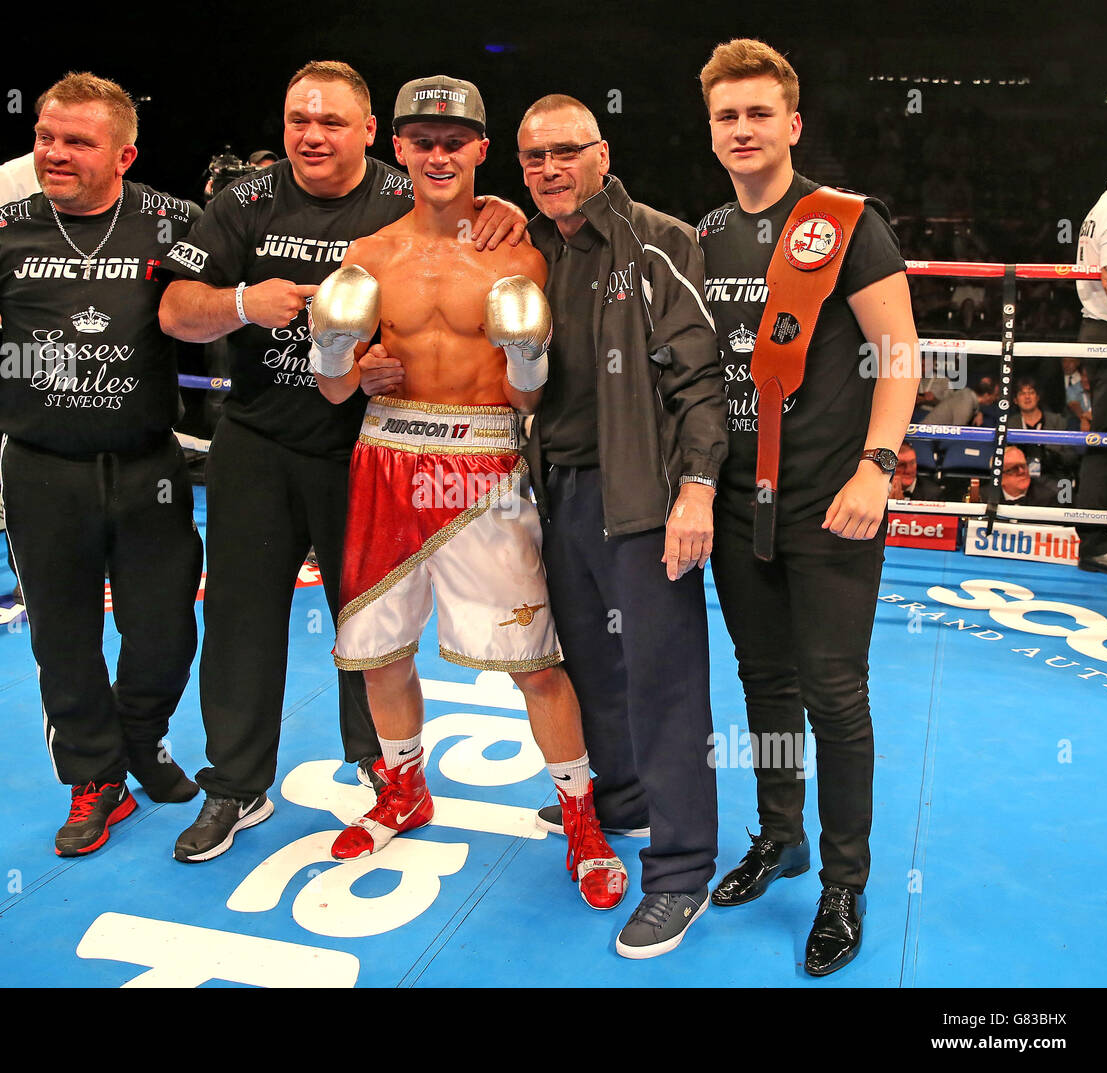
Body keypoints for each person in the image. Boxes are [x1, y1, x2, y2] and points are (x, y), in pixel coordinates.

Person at [157, 62, 528, 863]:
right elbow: (175, 307)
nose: (312, 135)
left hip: (368, 446)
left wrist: (500, 208)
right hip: (257, 440)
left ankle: (383, 769)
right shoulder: (247, 201)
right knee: (239, 618)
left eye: (330, 121)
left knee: (374, 629)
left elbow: (475, 211)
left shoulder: (408, 193)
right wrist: (239, 302)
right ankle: (235, 784)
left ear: (369, 132)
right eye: (298, 120)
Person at [0, 72, 205, 857]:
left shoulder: (171, 222)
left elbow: (227, 295)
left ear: (124, 153)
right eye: (45, 137)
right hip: (42, 466)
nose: (54, 152)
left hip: (148, 461)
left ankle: (143, 739)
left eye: (76, 141)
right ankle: (94, 775)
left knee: (165, 626)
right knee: (62, 630)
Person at [311, 75, 628, 912]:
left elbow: (532, 397)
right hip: (387, 456)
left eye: (456, 142)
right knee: (377, 651)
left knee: (536, 663)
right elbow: (332, 388)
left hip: (484, 464)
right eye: (422, 141)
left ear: (482, 151)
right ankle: (404, 789)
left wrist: (526, 360)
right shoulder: (370, 256)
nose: (439, 155)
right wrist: (348, 365)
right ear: (400, 151)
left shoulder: (522, 250)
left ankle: (580, 814)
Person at [697, 39, 919, 976]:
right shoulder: (705, 234)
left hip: (832, 502)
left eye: (758, 114)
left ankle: (845, 880)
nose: (743, 130)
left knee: (835, 693)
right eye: (726, 117)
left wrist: (877, 465)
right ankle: (779, 834)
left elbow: (900, 352)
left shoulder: (845, 223)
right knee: (762, 684)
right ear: (711, 132)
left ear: (792, 124)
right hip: (741, 506)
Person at [514, 95, 726, 956]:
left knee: (665, 682)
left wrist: (699, 487)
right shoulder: (532, 252)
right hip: (560, 492)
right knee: (593, 667)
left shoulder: (658, 241)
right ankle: (627, 797)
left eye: (566, 151)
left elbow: (701, 377)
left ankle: (681, 873)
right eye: (533, 158)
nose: (550, 169)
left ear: (602, 153)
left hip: (642, 500)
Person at [1074, 182, 1107, 575]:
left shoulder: (1102, 204)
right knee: (1106, 441)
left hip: (1101, 329)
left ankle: (1098, 540)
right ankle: (1096, 542)